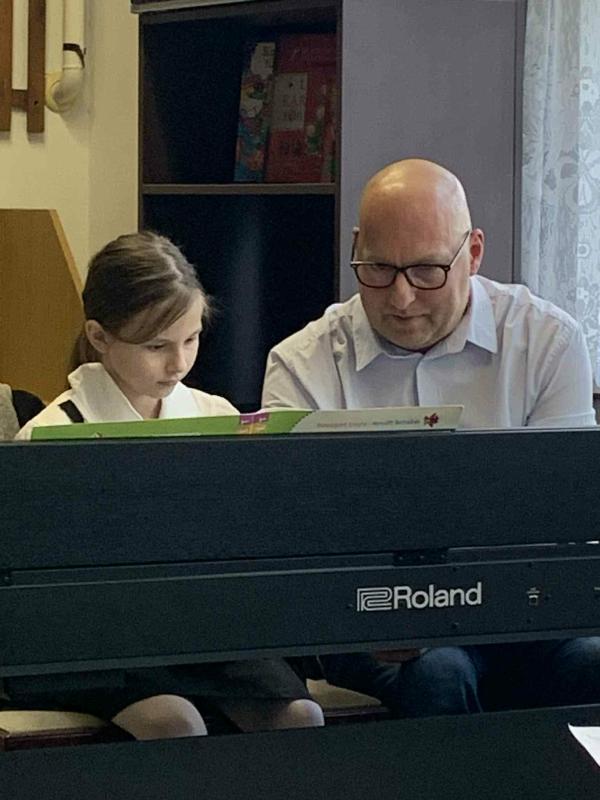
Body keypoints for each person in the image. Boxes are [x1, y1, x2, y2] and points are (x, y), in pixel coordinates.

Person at [261, 158, 600, 717]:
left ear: (474, 253)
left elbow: (564, 527)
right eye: (377, 269)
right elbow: (291, 536)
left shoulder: (547, 343)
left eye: (426, 271)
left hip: (522, 611)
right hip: (371, 612)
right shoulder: (303, 364)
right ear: (356, 247)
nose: (400, 298)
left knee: (591, 661)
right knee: (440, 672)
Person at [12, 230, 323, 738]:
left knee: (299, 715)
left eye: (191, 339)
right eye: (156, 346)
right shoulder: (52, 433)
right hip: (90, 638)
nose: (178, 363)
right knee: (174, 721)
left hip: (198, 627)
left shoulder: (215, 415)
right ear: (99, 337)